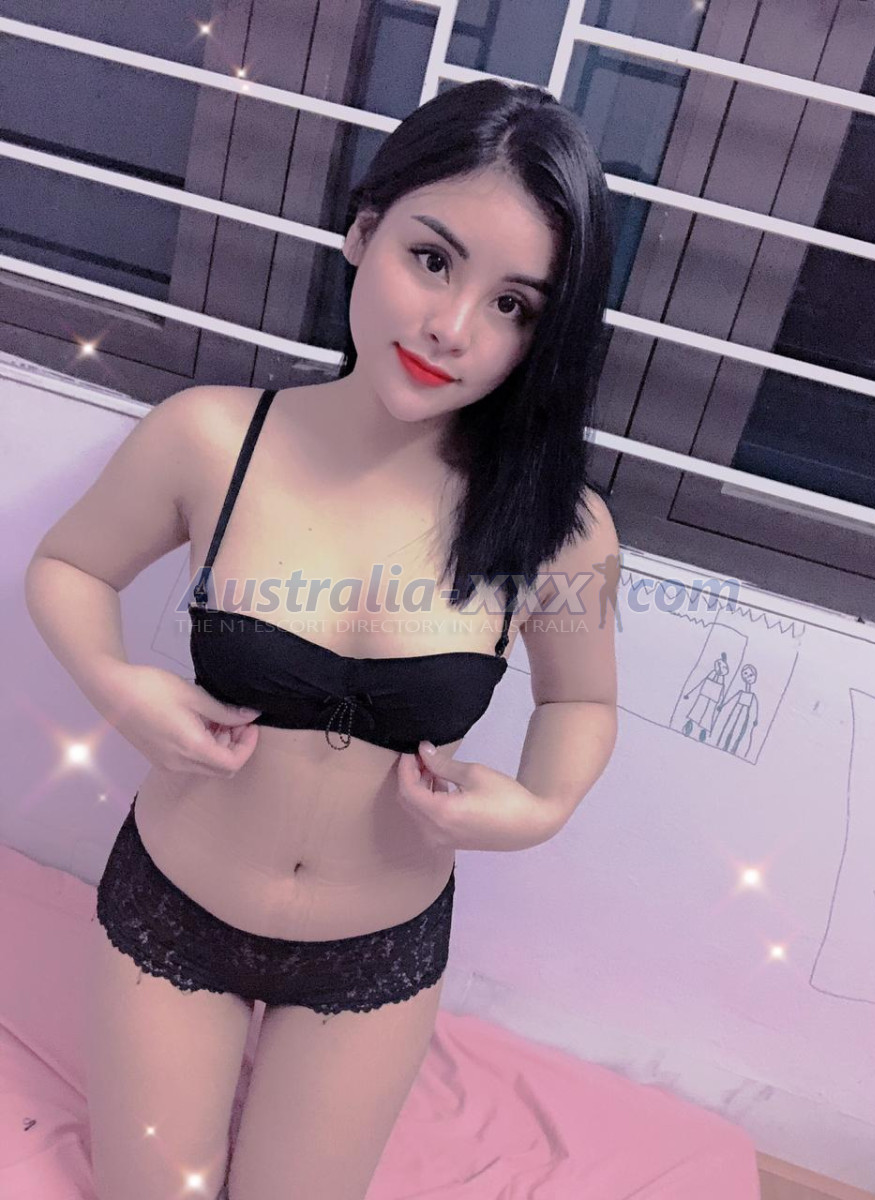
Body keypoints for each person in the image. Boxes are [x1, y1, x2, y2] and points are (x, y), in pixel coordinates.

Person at [24, 78, 621, 1200]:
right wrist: (118, 687)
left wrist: (541, 807)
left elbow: (579, 699)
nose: (451, 328)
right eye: (431, 260)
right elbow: (69, 568)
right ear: (362, 230)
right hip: (175, 911)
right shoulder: (210, 438)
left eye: (513, 305)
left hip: (374, 953)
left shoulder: (558, 528)